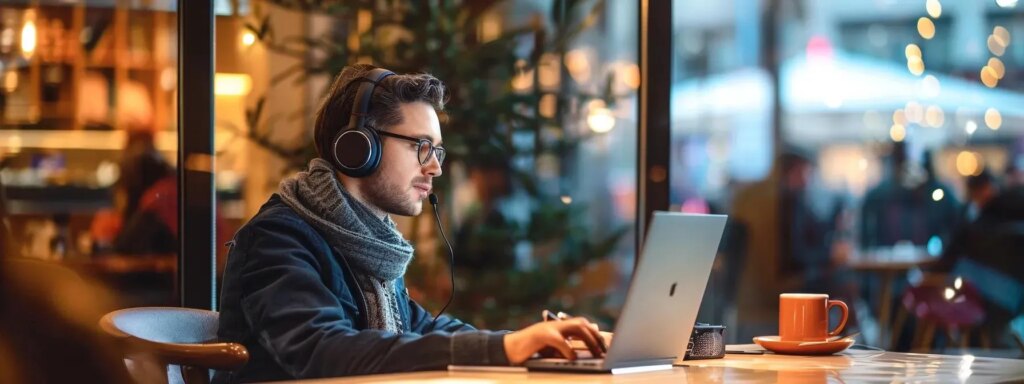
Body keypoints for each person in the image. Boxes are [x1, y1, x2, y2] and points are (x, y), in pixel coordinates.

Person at [214, 65, 605, 383]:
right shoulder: (279, 238)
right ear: (358, 146)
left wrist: (529, 344)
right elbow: (324, 352)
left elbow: (421, 329)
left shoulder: (369, 242)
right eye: (420, 146)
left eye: (437, 150)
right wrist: (504, 350)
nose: (434, 166)